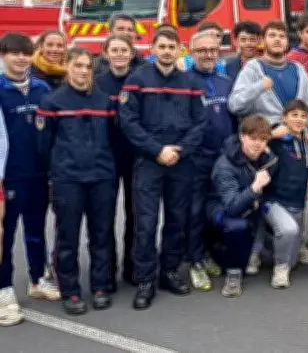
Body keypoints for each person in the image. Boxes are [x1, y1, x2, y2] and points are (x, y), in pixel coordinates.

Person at [119, 29, 207, 310]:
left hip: (181, 161)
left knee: (176, 220)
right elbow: (128, 121)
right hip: (148, 161)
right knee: (145, 224)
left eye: (172, 46)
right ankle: (145, 280)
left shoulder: (191, 82)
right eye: (162, 46)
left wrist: (180, 150)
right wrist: (157, 150)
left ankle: (169, 271)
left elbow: (200, 122)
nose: (167, 51)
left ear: (180, 49)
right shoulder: (137, 80)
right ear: (153, 48)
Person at [37, 47, 117, 315]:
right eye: (78, 66)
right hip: (68, 179)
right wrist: (56, 171)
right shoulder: (52, 102)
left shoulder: (104, 101)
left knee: (102, 234)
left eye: (88, 67)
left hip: (102, 177)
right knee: (67, 236)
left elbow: (114, 138)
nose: (83, 71)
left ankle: (101, 287)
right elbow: (43, 145)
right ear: (68, 67)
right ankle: (70, 290)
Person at [0, 32, 60, 327]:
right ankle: (4, 290)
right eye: (14, 53)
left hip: (38, 174)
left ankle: (37, 279)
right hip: (9, 176)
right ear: (3, 56)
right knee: (5, 235)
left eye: (25, 53)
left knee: (36, 230)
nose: (21, 59)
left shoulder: (41, 88)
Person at [185, 31, 237, 292]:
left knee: (220, 208)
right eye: (202, 50)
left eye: (213, 50)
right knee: (194, 211)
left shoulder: (226, 81)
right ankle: (195, 260)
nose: (208, 54)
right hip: (195, 160)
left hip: (224, 159)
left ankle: (211, 253)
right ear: (191, 52)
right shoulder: (184, 82)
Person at [207, 115, 279, 298]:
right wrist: (255, 187)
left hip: (250, 204)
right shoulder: (224, 165)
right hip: (221, 208)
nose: (258, 144)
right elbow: (232, 207)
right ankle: (233, 273)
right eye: (253, 138)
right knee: (237, 226)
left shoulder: (266, 157)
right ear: (241, 137)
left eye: (263, 139)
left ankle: (260, 248)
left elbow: (272, 167)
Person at [94, 35, 138, 287]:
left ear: (131, 54)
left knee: (135, 215)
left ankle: (132, 267)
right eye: (115, 50)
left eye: (124, 50)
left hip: (135, 156)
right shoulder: (97, 83)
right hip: (105, 158)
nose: (119, 54)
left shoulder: (139, 81)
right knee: (104, 217)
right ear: (105, 53)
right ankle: (106, 272)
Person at [259, 100, 308, 289]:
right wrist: (271, 135)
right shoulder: (275, 138)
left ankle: (265, 247)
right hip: (274, 201)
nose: (299, 119)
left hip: (297, 203)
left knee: (294, 261)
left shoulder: (306, 140)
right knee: (288, 230)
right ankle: (279, 269)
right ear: (284, 118)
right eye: (294, 115)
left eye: (303, 116)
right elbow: (252, 142)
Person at [228, 20, 308, 128]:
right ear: (263, 40)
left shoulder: (298, 69)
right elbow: (234, 105)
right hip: (265, 136)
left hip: (297, 136)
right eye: (272, 35)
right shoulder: (253, 68)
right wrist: (259, 86)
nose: (277, 39)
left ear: (287, 42)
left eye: (282, 36)